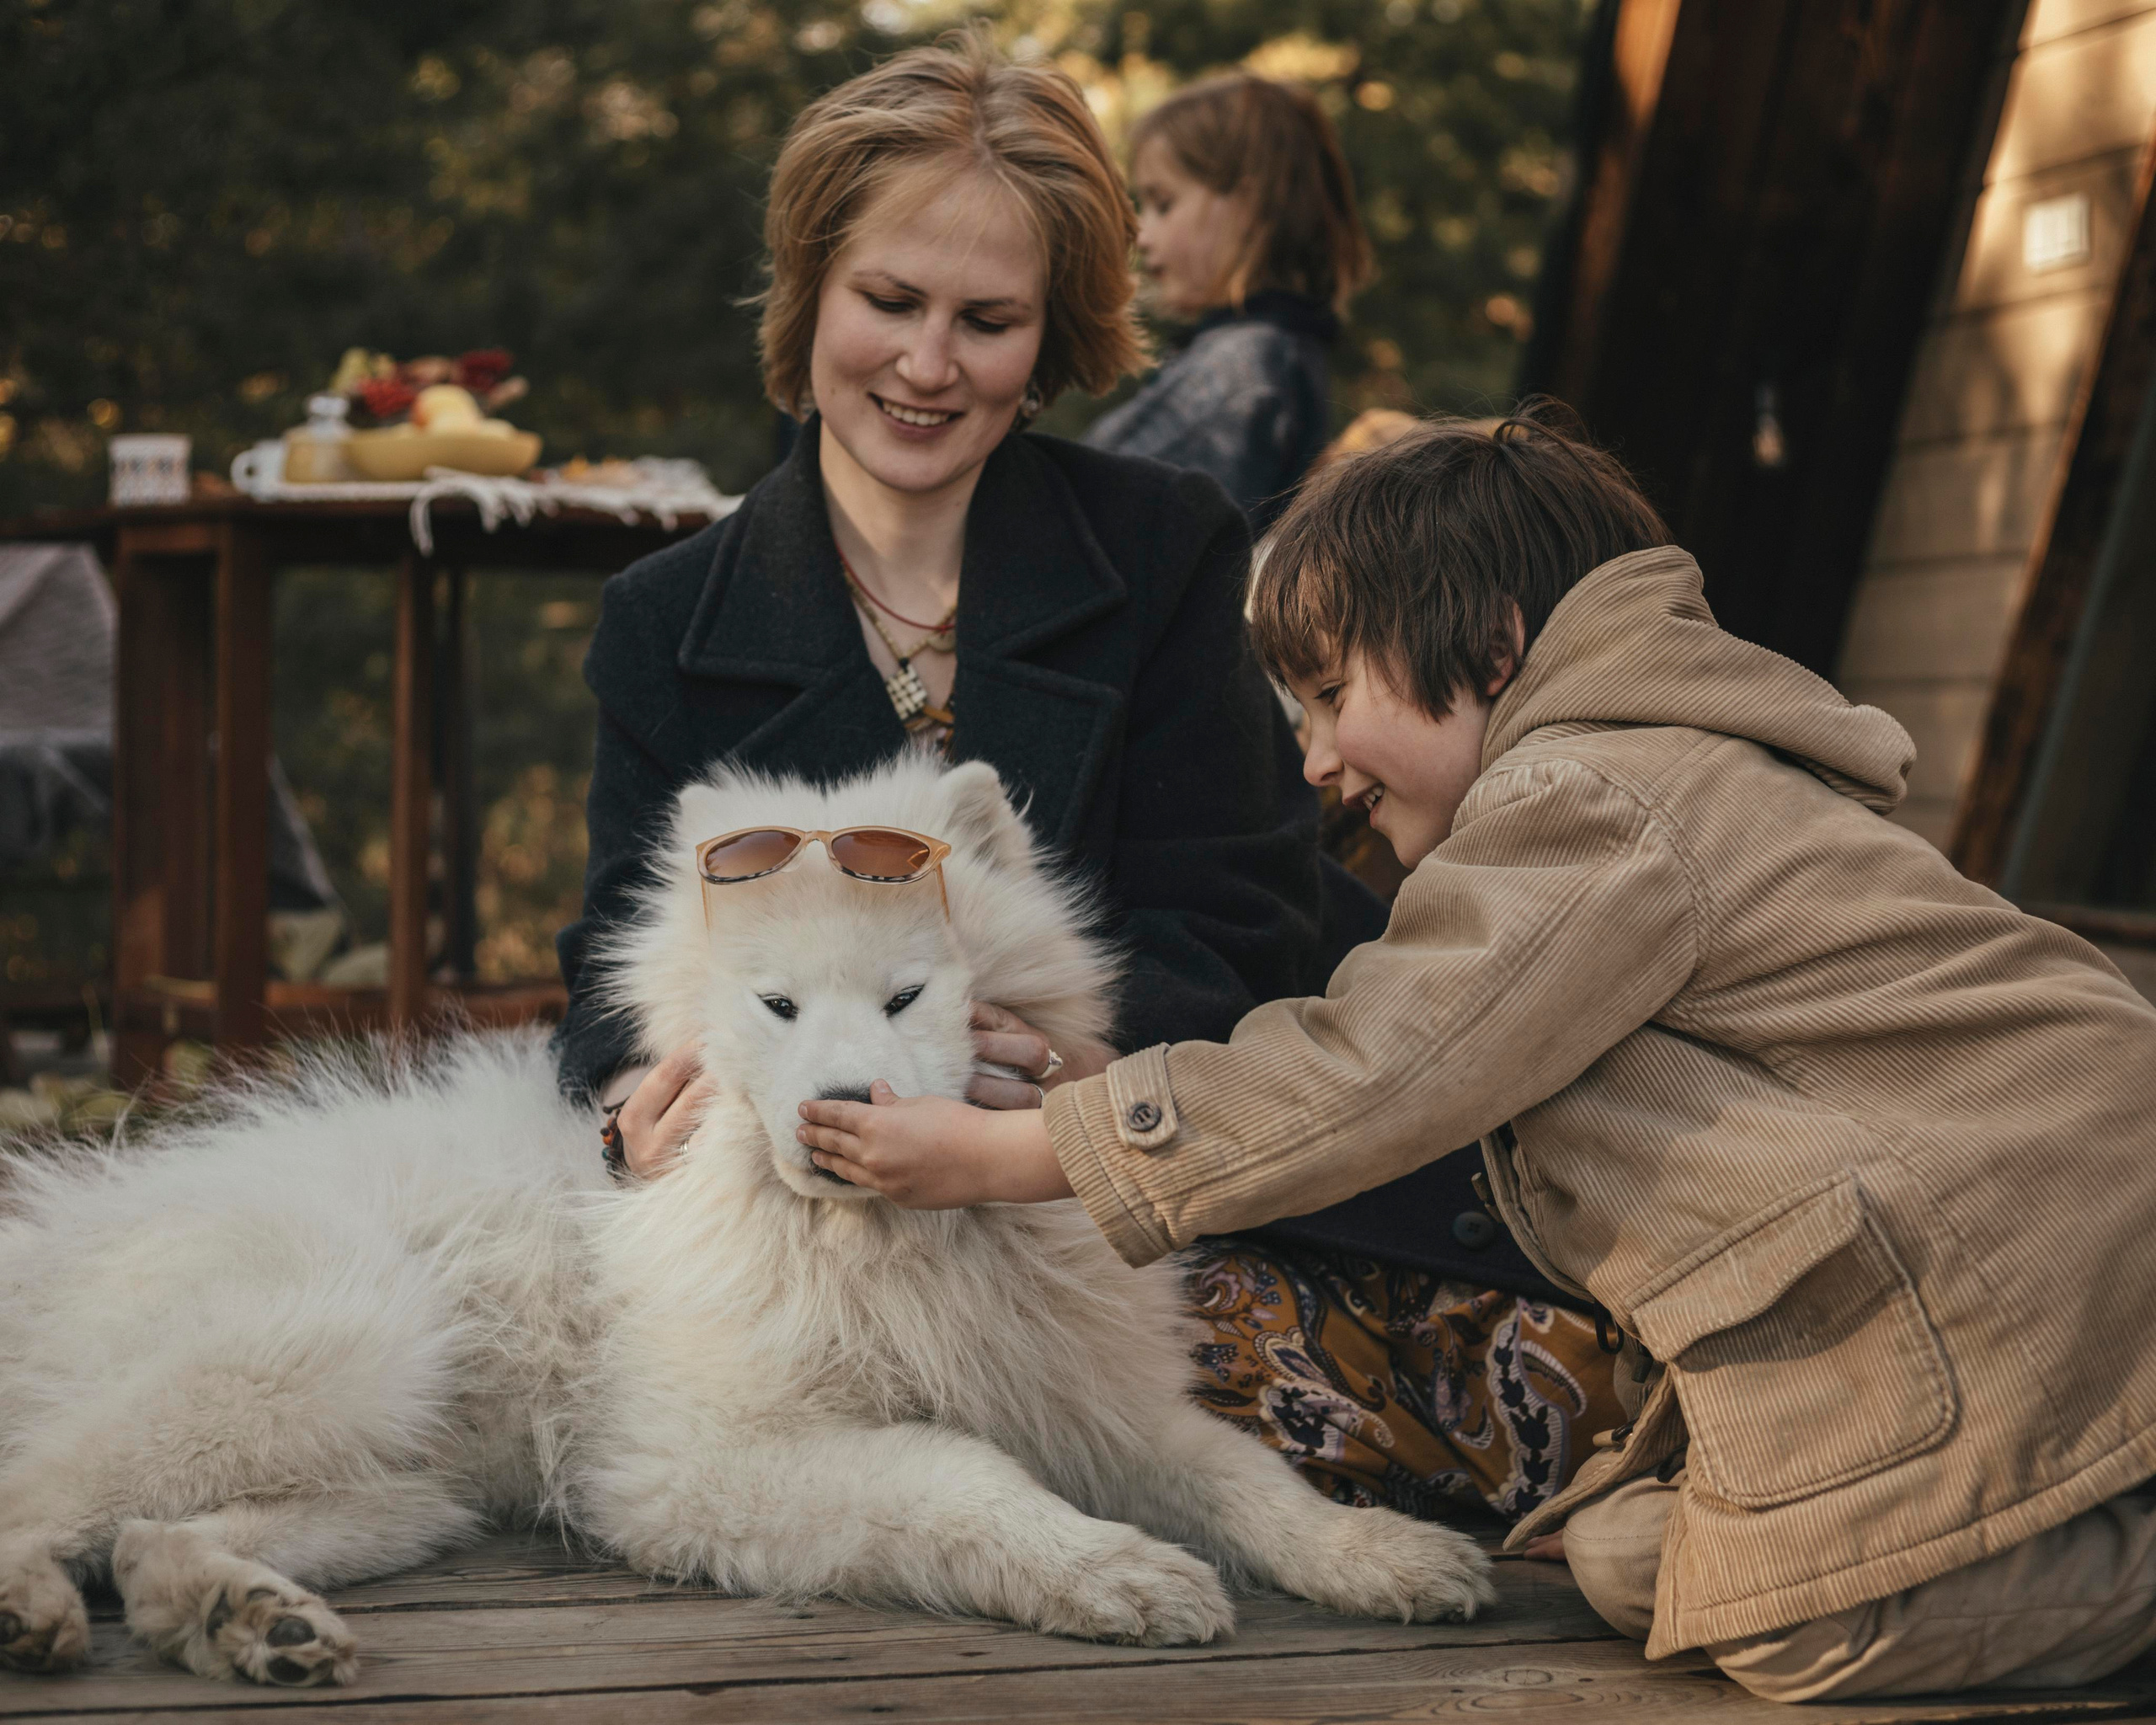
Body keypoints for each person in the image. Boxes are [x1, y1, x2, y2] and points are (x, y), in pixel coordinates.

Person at [797, 408, 2156, 1703]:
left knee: (1796, 1621)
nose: (1317, 759)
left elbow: (1374, 1064)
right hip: (2027, 1252)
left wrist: (1019, 1149)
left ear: (1492, 648)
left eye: (1332, 693)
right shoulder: (1630, 791)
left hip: (2052, 1246)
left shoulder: (1589, 799)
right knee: (1634, 1559)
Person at [559, 38, 1623, 1530]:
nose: (930, 365)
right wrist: (632, 1104)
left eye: (988, 321)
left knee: (1458, 1399)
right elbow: (615, 965)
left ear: (1053, 338)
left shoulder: (1165, 544)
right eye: (890, 303)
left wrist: (1066, 1077)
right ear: (808, 292)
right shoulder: (668, 620)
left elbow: (1242, 916)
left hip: (1182, 1171)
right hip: (830, 1226)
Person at [1083, 74, 1370, 534]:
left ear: (1249, 205)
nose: (1141, 232)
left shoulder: (1245, 367)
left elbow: (1099, 521)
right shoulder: (1269, 354)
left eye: (1162, 203)